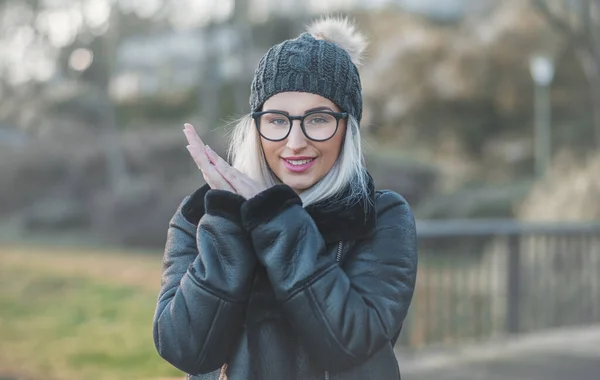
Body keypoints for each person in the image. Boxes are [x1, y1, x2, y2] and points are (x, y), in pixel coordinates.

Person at [153, 16, 418, 380]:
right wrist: (231, 219)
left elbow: (351, 344)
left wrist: (275, 219)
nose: (295, 142)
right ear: (256, 127)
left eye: (318, 119)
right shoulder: (202, 215)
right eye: (277, 120)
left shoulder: (379, 216)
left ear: (347, 127)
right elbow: (185, 348)